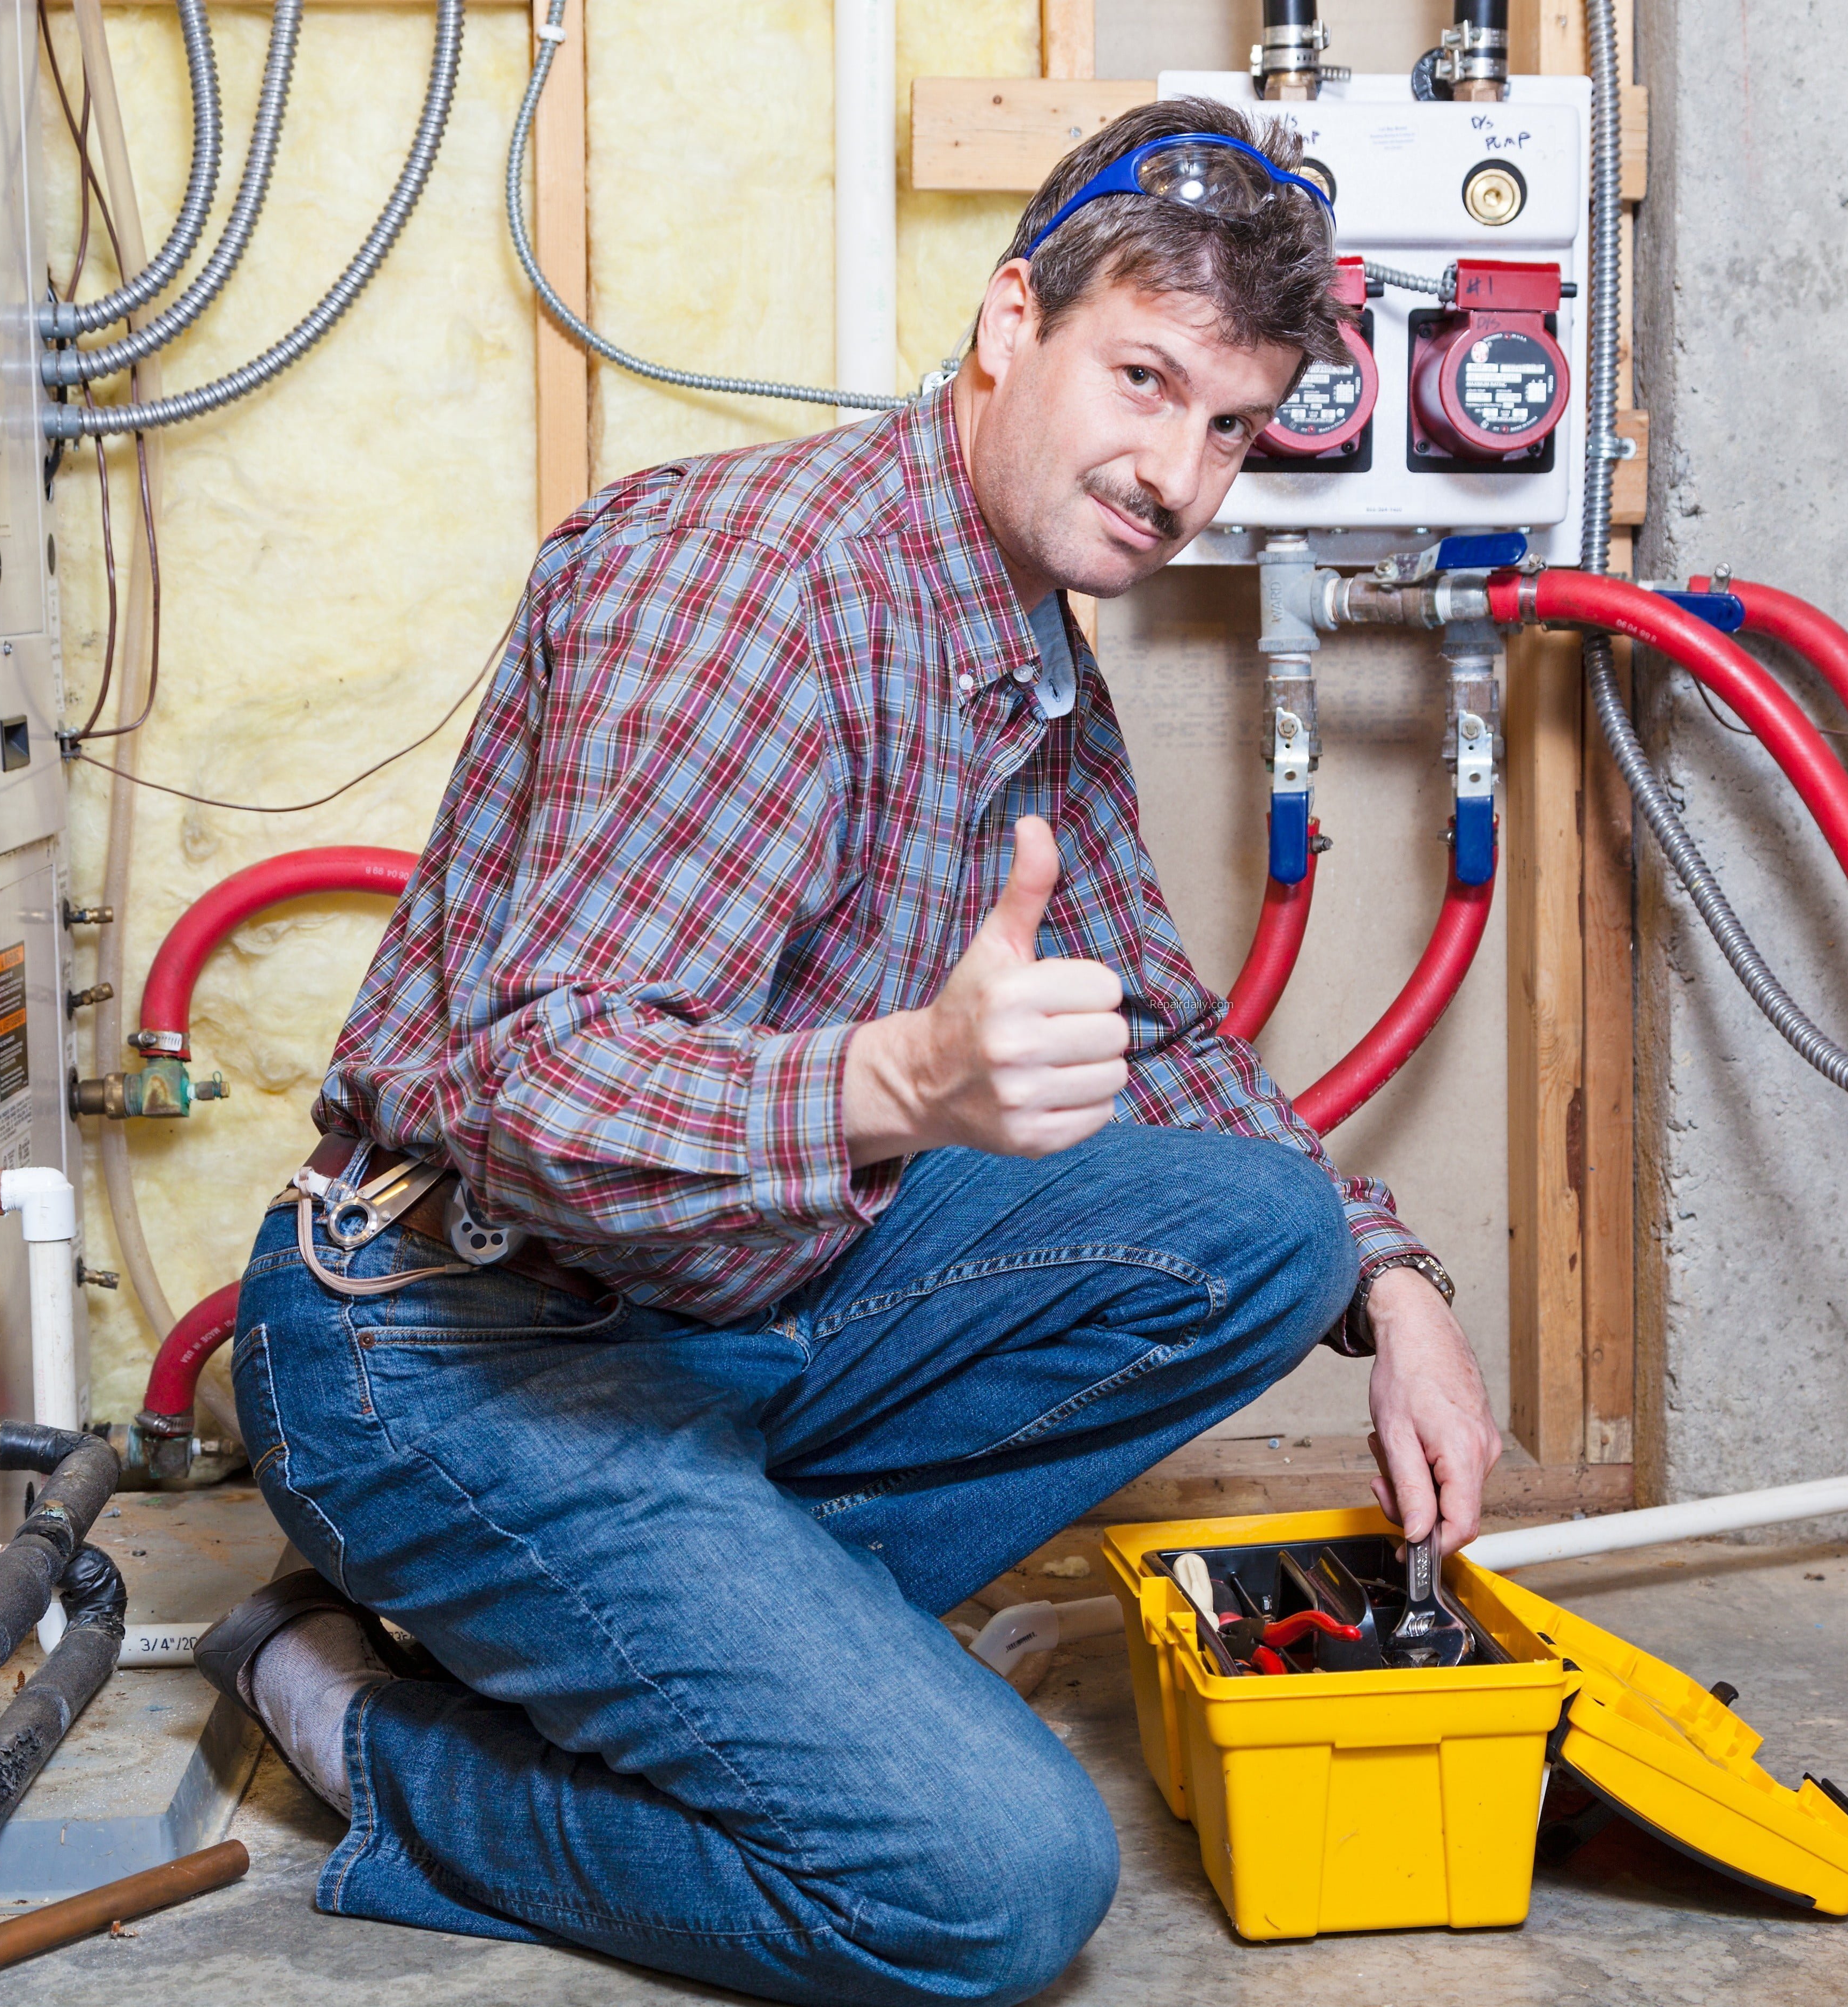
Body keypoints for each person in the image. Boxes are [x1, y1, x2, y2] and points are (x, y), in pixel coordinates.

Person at [201, 96, 1501, 2005]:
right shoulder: (751, 589)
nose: (1178, 472)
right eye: (1141, 380)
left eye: (1229, 425)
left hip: (724, 1314)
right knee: (990, 1887)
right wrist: (896, 1083)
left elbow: (1154, 1025)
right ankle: (377, 1729)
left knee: (1266, 1233)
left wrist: (1397, 1288)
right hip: (454, 1346)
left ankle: (730, 1643)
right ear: (1005, 325)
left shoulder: (1021, 641)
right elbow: (538, 1096)